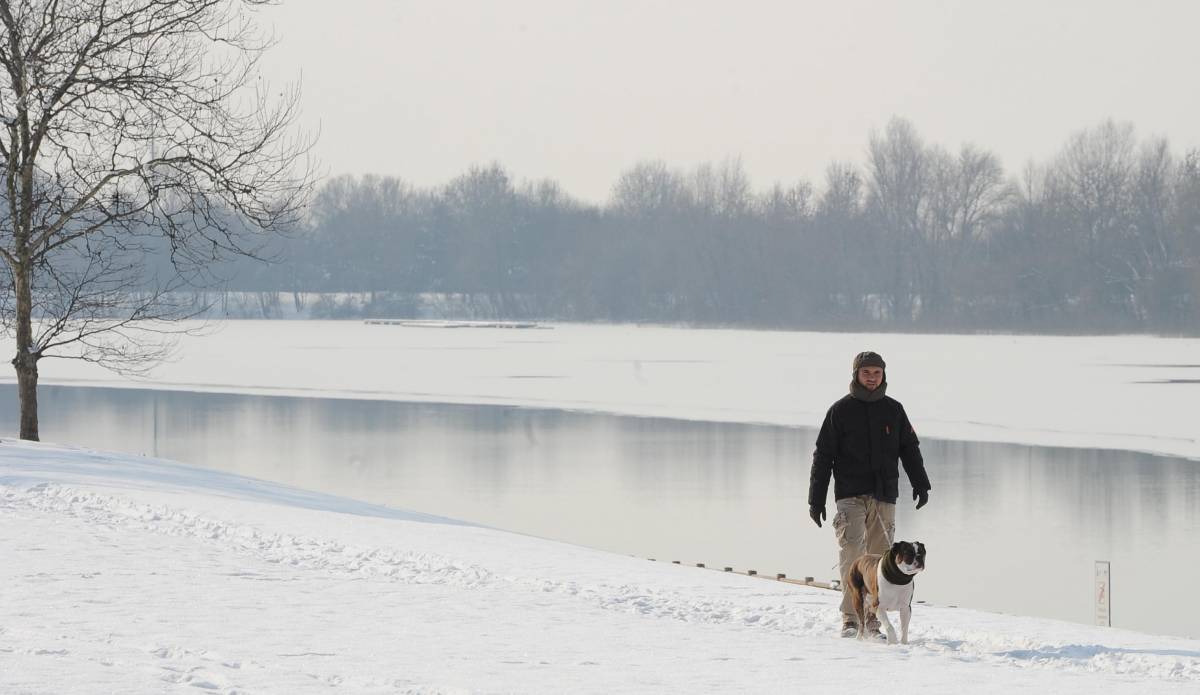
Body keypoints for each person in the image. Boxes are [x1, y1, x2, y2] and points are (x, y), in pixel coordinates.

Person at [808, 351, 931, 639]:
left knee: (879, 559)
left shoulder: (894, 410)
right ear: (856, 375)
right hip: (850, 493)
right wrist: (816, 499)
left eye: (877, 373)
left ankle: (874, 620)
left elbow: (909, 449)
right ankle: (850, 618)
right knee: (852, 553)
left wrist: (921, 483)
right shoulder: (839, 411)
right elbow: (823, 456)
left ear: (883, 375)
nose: (872, 378)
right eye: (866, 373)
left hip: (884, 493)